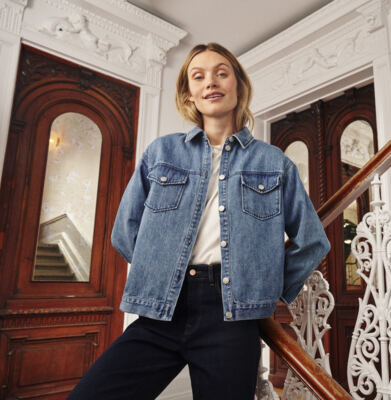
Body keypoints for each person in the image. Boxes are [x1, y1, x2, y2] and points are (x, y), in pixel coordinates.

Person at [68, 43, 330, 400]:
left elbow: (312, 240)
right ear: (189, 93)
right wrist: (160, 269)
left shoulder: (274, 163)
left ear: (238, 86)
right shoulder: (161, 153)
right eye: (198, 76)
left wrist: (261, 286)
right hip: (163, 311)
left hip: (231, 320)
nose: (211, 82)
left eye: (222, 73)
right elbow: (125, 231)